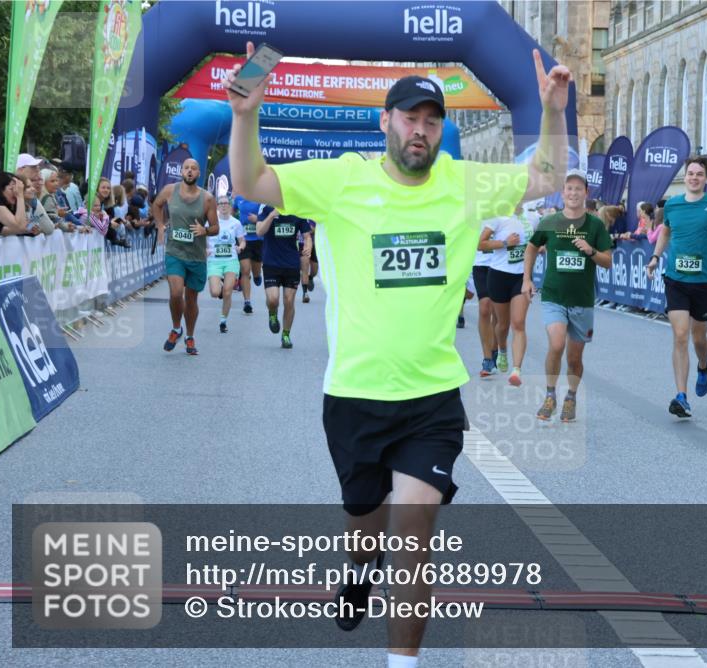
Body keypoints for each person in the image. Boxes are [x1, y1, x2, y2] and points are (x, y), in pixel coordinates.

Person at [227, 40, 568, 667]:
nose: (420, 130)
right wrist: (245, 116)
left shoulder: (464, 184)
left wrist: (551, 111)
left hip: (432, 399)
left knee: (414, 540)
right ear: (385, 122)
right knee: (366, 528)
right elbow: (249, 181)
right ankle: (359, 570)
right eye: (409, 118)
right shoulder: (341, 180)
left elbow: (546, 176)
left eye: (432, 120)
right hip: (354, 398)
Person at [645, 156, 707, 418]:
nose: (694, 177)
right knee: (680, 335)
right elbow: (666, 233)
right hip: (676, 280)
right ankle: (681, 396)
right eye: (691, 173)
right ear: (686, 177)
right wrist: (655, 257)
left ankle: (703, 365)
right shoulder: (672, 205)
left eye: (699, 174)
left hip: (703, 281)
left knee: (699, 338)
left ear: (706, 179)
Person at [524, 169, 613, 422]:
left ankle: (571, 396)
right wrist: (527, 279)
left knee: (574, 358)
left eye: (578, 188)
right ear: (562, 193)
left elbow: (608, 262)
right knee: (556, 343)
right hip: (554, 296)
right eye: (569, 188)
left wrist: (591, 250)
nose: (573, 193)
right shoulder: (549, 223)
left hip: (582, 301)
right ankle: (550, 395)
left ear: (586, 192)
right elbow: (531, 248)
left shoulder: (595, 225)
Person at [152, 158, 220, 355]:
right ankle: (176, 328)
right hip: (175, 252)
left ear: (199, 174)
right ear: (181, 172)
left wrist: (204, 230)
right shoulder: (169, 191)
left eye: (194, 169)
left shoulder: (207, 198)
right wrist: (159, 225)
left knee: (191, 300)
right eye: (186, 168)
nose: (189, 171)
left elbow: (215, 227)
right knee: (175, 293)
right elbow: (156, 205)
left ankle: (189, 336)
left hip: (196, 256)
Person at [478, 203, 535, 386]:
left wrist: (539, 248)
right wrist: (504, 243)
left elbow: (539, 242)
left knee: (518, 323)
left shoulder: (532, 217)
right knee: (503, 325)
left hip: (522, 277)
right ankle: (501, 349)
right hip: (498, 275)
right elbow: (481, 244)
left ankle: (516, 370)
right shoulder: (497, 216)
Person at [255, 205, 311, 349]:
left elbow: (306, 235)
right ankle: (272, 313)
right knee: (273, 299)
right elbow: (259, 232)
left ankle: (286, 335)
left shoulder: (298, 211)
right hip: (271, 262)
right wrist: (272, 215)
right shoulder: (267, 209)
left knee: (289, 300)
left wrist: (308, 246)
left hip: (291, 263)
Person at [207, 196, 247, 333]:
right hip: (214, 261)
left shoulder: (236, 223)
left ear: (230, 206)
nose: (224, 206)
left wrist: (240, 247)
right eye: (221, 203)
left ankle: (223, 320)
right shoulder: (211, 222)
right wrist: (204, 249)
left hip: (231, 260)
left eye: (226, 203)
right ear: (217, 207)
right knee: (215, 292)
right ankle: (220, 286)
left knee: (228, 292)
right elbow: (201, 238)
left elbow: (242, 240)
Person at [472, 243, 500, 377]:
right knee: (484, 308)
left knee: (497, 312)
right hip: (480, 264)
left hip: (501, 263)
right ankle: (487, 358)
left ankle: (494, 349)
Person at [0, 172, 32, 238]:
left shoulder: (8, 204)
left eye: (17, 189)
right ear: (0, 189)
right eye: (11, 189)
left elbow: (0, 230)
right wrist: (20, 196)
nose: (15, 192)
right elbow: (20, 226)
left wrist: (29, 231)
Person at [299, 218, 319, 303]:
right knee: (305, 268)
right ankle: (305, 293)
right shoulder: (296, 215)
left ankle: (310, 278)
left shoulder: (312, 214)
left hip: (313, 244)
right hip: (301, 244)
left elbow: (317, 229)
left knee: (314, 270)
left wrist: (311, 230)